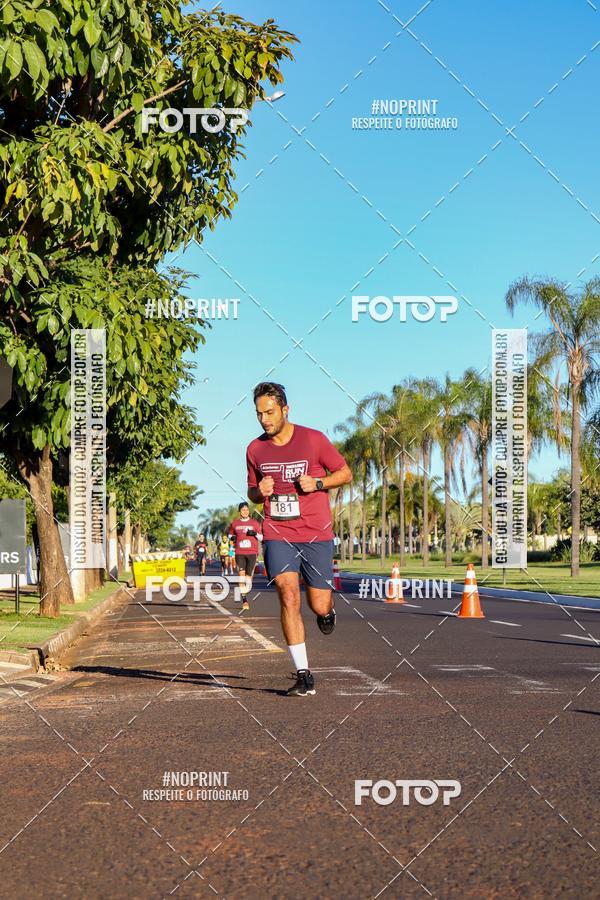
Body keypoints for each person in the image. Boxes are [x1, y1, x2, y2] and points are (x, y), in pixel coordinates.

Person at [246, 382, 352, 697]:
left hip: (316, 532)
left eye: (269, 412)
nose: (264, 419)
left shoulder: (313, 439)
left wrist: (318, 482)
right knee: (287, 594)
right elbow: (252, 491)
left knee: (317, 604)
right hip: (279, 533)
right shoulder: (255, 449)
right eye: (259, 414)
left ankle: (328, 612)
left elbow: (345, 473)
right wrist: (258, 493)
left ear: (285, 409)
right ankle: (304, 674)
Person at [228, 502, 263, 612]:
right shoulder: (235, 524)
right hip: (240, 553)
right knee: (241, 575)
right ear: (240, 511)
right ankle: (244, 600)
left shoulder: (255, 523)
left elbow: (262, 538)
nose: (245, 511)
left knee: (249, 578)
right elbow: (230, 535)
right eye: (243, 510)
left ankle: (244, 591)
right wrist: (232, 538)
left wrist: (254, 534)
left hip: (252, 553)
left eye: (247, 510)